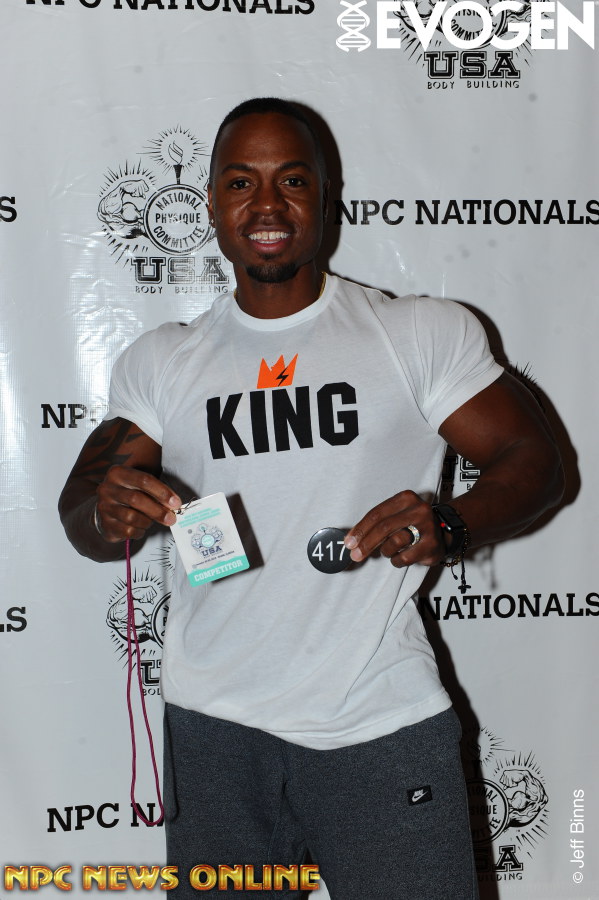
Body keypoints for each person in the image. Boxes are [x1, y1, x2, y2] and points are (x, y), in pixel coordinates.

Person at [59, 98, 564, 899]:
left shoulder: (416, 333)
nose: (266, 205)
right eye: (240, 183)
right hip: (215, 734)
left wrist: (450, 519)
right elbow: (83, 511)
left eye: (291, 181)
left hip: (378, 723)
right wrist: (104, 513)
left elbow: (533, 461)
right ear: (212, 204)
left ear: (327, 199)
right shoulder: (163, 361)